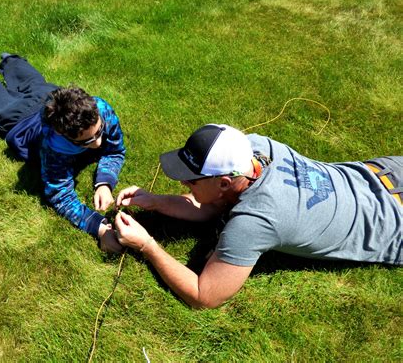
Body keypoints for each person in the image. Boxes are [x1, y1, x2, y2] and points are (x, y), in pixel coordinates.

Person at [114, 124, 402, 308]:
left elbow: (205, 296)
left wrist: (146, 245)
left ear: (225, 183)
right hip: (383, 174)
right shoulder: (254, 146)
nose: (183, 184)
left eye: (191, 181)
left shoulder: (254, 222)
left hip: (395, 226)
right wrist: (156, 202)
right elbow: (215, 204)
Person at [0, 53, 125, 252]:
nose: (99, 142)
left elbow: (115, 151)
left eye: (100, 130)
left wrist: (104, 183)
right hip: (19, 121)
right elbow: (60, 195)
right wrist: (99, 229)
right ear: (64, 136)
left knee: (34, 82)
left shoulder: (101, 110)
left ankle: (10, 61)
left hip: (49, 96)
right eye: (88, 141)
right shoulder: (54, 148)